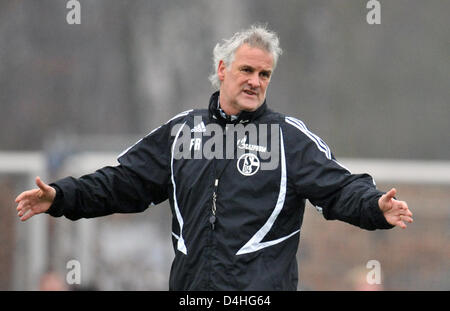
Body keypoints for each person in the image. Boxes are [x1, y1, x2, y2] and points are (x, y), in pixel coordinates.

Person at [15, 25, 413, 291]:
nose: (255, 81)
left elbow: (340, 187)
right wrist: (61, 196)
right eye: (247, 70)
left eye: (264, 74)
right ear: (222, 70)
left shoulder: (289, 139)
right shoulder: (181, 133)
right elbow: (121, 183)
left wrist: (375, 206)